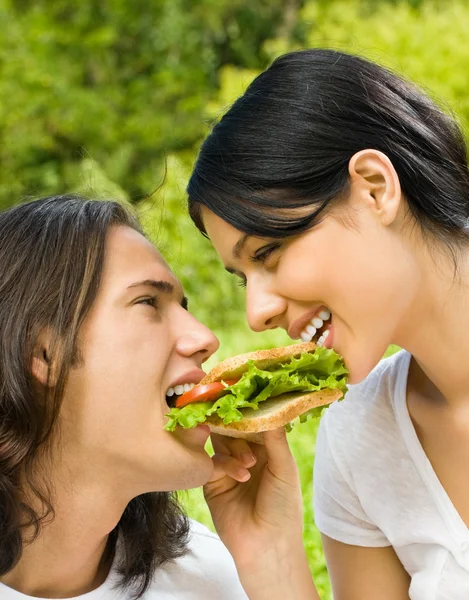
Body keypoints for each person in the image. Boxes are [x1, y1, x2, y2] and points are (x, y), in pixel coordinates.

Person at [187, 48, 469, 599]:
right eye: (244, 278)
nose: (258, 313)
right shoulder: (362, 435)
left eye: (268, 251)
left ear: (374, 188)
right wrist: (269, 554)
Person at [0, 194, 318, 599]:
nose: (205, 338)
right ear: (43, 353)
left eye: (183, 306)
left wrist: (274, 564)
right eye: (148, 302)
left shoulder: (206, 576)